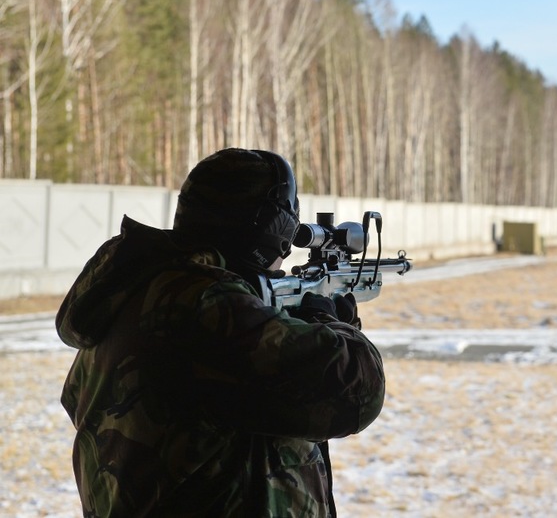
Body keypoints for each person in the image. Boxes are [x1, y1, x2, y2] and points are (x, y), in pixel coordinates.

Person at [55, 148, 385, 517]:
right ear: (271, 231)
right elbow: (356, 394)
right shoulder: (203, 304)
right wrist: (334, 322)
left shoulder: (138, 287)